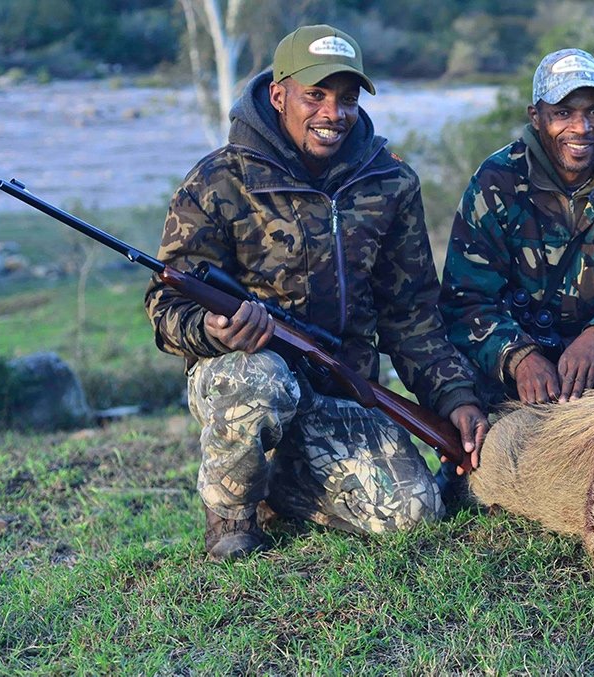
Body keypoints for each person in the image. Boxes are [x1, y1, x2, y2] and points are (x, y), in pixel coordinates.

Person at [145, 25, 488, 560]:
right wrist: (212, 330)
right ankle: (232, 519)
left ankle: (281, 481)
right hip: (243, 377)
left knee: (416, 514)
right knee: (259, 379)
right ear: (279, 95)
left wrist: (455, 399)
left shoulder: (391, 183)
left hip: (341, 388)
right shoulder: (218, 180)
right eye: (316, 96)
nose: (333, 113)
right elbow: (165, 307)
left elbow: (412, 316)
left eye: (347, 98)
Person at [439, 48, 594, 408]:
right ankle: (469, 457)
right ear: (536, 117)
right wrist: (518, 356)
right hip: (515, 353)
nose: (581, 128)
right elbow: (465, 298)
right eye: (563, 113)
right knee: (453, 367)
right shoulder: (497, 179)